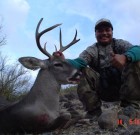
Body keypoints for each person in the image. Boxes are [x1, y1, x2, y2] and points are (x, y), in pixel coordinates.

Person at [66, 18, 140, 119]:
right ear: (95, 34)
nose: (104, 33)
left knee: (135, 60)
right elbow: (79, 62)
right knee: (84, 71)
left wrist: (125, 57)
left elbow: (138, 49)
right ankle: (94, 112)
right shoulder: (92, 49)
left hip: (125, 89)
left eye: (107, 30)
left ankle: (131, 108)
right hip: (103, 90)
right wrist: (63, 61)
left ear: (112, 32)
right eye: (100, 31)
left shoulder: (120, 44)